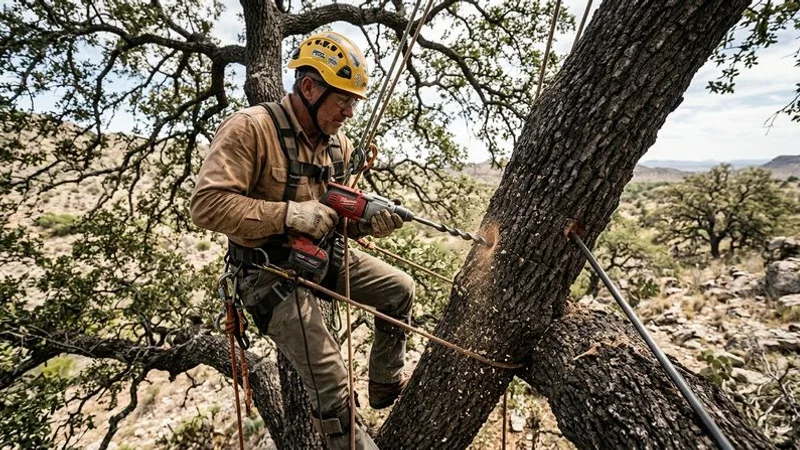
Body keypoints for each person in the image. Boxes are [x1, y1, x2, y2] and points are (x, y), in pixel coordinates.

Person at [190, 31, 413, 449]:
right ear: (309, 87)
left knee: (399, 290)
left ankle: (384, 383)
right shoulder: (251, 129)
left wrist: (366, 223)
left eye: (354, 102)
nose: (349, 111)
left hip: (321, 255)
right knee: (331, 379)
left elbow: (336, 216)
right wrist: (290, 214)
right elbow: (206, 206)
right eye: (342, 99)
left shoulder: (339, 146)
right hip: (266, 272)